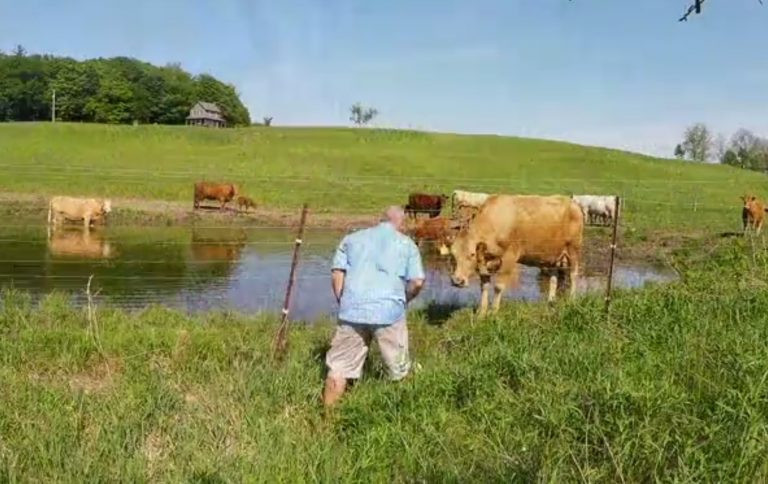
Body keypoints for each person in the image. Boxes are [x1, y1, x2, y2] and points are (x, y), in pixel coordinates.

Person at [323, 205, 425, 407]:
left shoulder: (351, 239)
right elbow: (418, 281)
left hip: (351, 310)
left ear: (381, 219)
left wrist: (343, 300)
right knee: (399, 369)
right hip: (389, 312)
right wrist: (405, 299)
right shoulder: (406, 244)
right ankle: (399, 415)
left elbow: (337, 273)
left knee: (339, 368)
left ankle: (326, 421)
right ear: (400, 223)